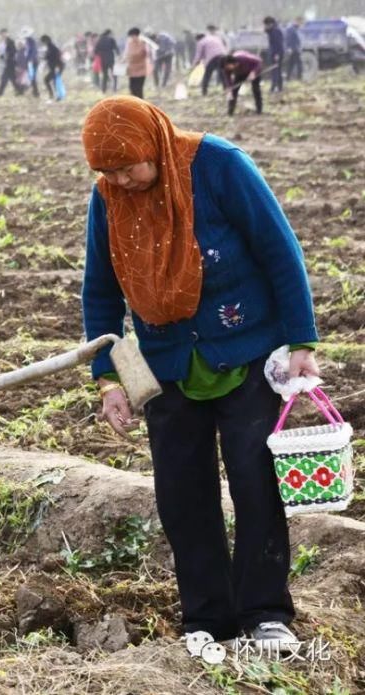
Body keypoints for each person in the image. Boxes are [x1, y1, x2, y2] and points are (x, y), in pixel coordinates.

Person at [81, 95, 318, 655]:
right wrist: (107, 377)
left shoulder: (219, 166)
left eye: (128, 166)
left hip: (247, 353)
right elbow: (101, 291)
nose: (121, 179)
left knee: (256, 482)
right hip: (165, 366)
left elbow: (280, 252)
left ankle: (265, 612)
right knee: (183, 496)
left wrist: (302, 340)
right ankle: (207, 618)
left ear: (154, 146)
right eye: (107, 170)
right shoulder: (108, 198)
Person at [223, 52, 263, 116]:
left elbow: (259, 62)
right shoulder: (227, 68)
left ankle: (259, 110)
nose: (228, 69)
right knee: (233, 91)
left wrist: (254, 72)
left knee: (256, 89)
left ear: (233, 63)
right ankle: (230, 112)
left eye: (228, 66)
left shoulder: (243, 58)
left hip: (252, 70)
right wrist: (229, 88)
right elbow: (228, 79)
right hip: (240, 74)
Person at [192, 31, 227, 96]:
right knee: (222, 74)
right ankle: (226, 90)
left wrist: (194, 64)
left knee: (207, 75)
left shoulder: (201, 42)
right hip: (223, 56)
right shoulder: (215, 38)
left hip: (212, 58)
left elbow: (198, 55)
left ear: (198, 38)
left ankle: (204, 91)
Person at [0, 29, 24, 96]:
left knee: (4, 78)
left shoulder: (10, 41)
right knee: (12, 79)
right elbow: (5, 53)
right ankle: (20, 91)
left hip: (11, 63)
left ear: (6, 34)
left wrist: (6, 55)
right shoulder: (3, 42)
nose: (2, 35)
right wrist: (1, 56)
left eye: (3, 34)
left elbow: (13, 51)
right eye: (1, 34)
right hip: (8, 63)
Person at [125, 28, 149, 99]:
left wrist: (134, 56)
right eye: (131, 37)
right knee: (132, 88)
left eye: (133, 36)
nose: (132, 38)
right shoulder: (129, 43)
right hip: (132, 69)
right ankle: (134, 104)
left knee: (139, 88)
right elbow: (127, 54)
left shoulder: (142, 43)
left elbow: (144, 54)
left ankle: (140, 104)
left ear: (137, 35)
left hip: (141, 69)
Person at [264, 17, 285, 93]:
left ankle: (274, 87)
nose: (265, 26)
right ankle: (280, 87)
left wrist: (277, 54)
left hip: (277, 53)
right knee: (277, 70)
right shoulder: (272, 30)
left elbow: (278, 44)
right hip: (274, 52)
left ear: (271, 24)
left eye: (266, 25)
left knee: (275, 71)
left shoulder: (276, 31)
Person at [40, 35, 64, 100]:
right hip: (55, 67)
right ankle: (54, 95)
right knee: (50, 80)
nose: (42, 43)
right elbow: (49, 57)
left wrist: (56, 67)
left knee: (51, 80)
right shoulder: (49, 47)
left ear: (46, 41)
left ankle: (56, 95)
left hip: (56, 67)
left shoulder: (52, 47)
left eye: (43, 42)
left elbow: (55, 57)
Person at [24, 30, 39, 98]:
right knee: (31, 77)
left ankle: (36, 92)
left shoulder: (31, 41)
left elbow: (33, 51)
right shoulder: (27, 41)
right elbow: (27, 51)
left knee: (32, 77)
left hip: (32, 62)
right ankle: (34, 91)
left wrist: (30, 60)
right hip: (29, 61)